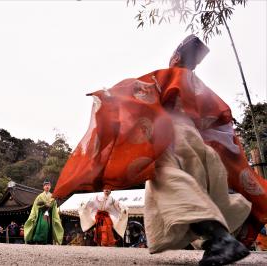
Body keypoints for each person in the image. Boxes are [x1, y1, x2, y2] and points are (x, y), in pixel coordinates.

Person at [53, 35, 267, 265]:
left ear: (176, 56)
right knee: (195, 191)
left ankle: (220, 239)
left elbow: (136, 93)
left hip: (172, 139)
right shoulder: (198, 86)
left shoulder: (168, 76)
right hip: (199, 145)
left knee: (169, 183)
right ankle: (214, 241)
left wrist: (109, 96)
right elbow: (218, 121)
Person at [24, 179, 64, 245]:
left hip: (49, 214)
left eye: (48, 185)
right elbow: (35, 206)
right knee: (42, 225)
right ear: (43, 187)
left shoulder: (52, 196)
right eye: (46, 185)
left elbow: (54, 206)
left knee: (49, 226)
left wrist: (51, 206)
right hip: (41, 214)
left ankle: (47, 240)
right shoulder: (39, 196)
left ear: (50, 187)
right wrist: (43, 205)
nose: (47, 186)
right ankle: (38, 239)